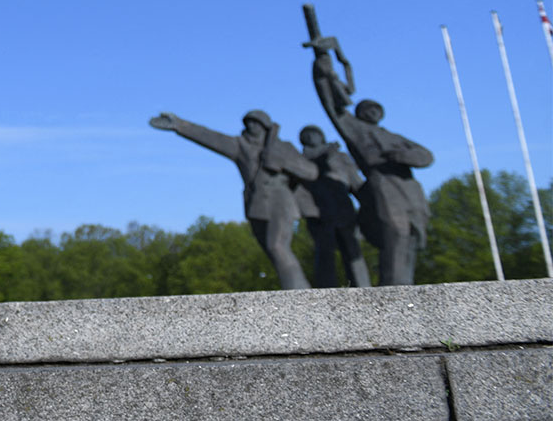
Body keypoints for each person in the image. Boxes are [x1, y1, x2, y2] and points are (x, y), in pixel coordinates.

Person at [308, 36, 433, 285]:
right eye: (367, 108)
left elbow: (426, 155)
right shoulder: (355, 128)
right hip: (383, 184)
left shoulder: (394, 136)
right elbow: (330, 103)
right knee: (396, 234)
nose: (373, 111)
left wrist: (401, 155)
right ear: (359, 112)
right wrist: (322, 63)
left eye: (376, 108)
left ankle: (404, 289)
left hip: (409, 187)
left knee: (412, 236)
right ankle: (392, 292)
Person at [149, 109, 316, 289]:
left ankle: (299, 291)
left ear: (265, 126)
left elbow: (311, 172)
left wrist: (281, 161)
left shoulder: (282, 147)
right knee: (272, 251)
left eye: (256, 123)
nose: (251, 126)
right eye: (248, 122)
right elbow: (212, 138)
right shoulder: (241, 146)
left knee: (277, 246)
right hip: (256, 205)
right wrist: (180, 125)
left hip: (280, 201)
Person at [298, 124, 372, 287]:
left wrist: (368, 203)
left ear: (321, 135)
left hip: (343, 208)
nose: (310, 137)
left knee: (352, 250)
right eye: (305, 135)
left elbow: (355, 181)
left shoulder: (339, 157)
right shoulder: (300, 160)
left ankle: (362, 288)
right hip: (317, 211)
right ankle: (325, 290)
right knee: (324, 252)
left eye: (313, 134)